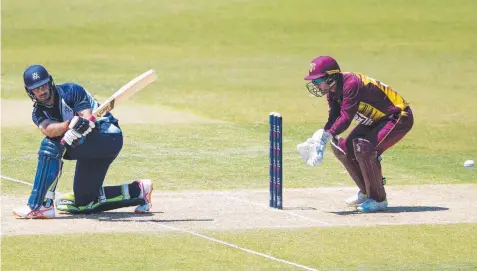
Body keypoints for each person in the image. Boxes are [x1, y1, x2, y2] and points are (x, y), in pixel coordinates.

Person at [13, 64, 154, 219]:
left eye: (44, 85)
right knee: (84, 202)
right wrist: (69, 125)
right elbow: (48, 129)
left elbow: (87, 118)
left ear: (50, 82)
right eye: (36, 88)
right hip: (88, 149)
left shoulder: (71, 91)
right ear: (29, 91)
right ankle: (139, 191)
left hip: (106, 136)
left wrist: (79, 126)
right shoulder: (38, 112)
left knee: (50, 146)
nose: (41, 91)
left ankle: (40, 205)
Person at [297, 56, 413, 213]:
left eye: (318, 81)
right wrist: (320, 137)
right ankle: (367, 192)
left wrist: (326, 136)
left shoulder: (351, 84)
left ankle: (378, 199)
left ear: (331, 76)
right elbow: (334, 118)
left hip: (398, 116)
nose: (316, 85)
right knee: (343, 148)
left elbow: (345, 118)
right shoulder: (332, 92)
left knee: (364, 148)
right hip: (376, 120)